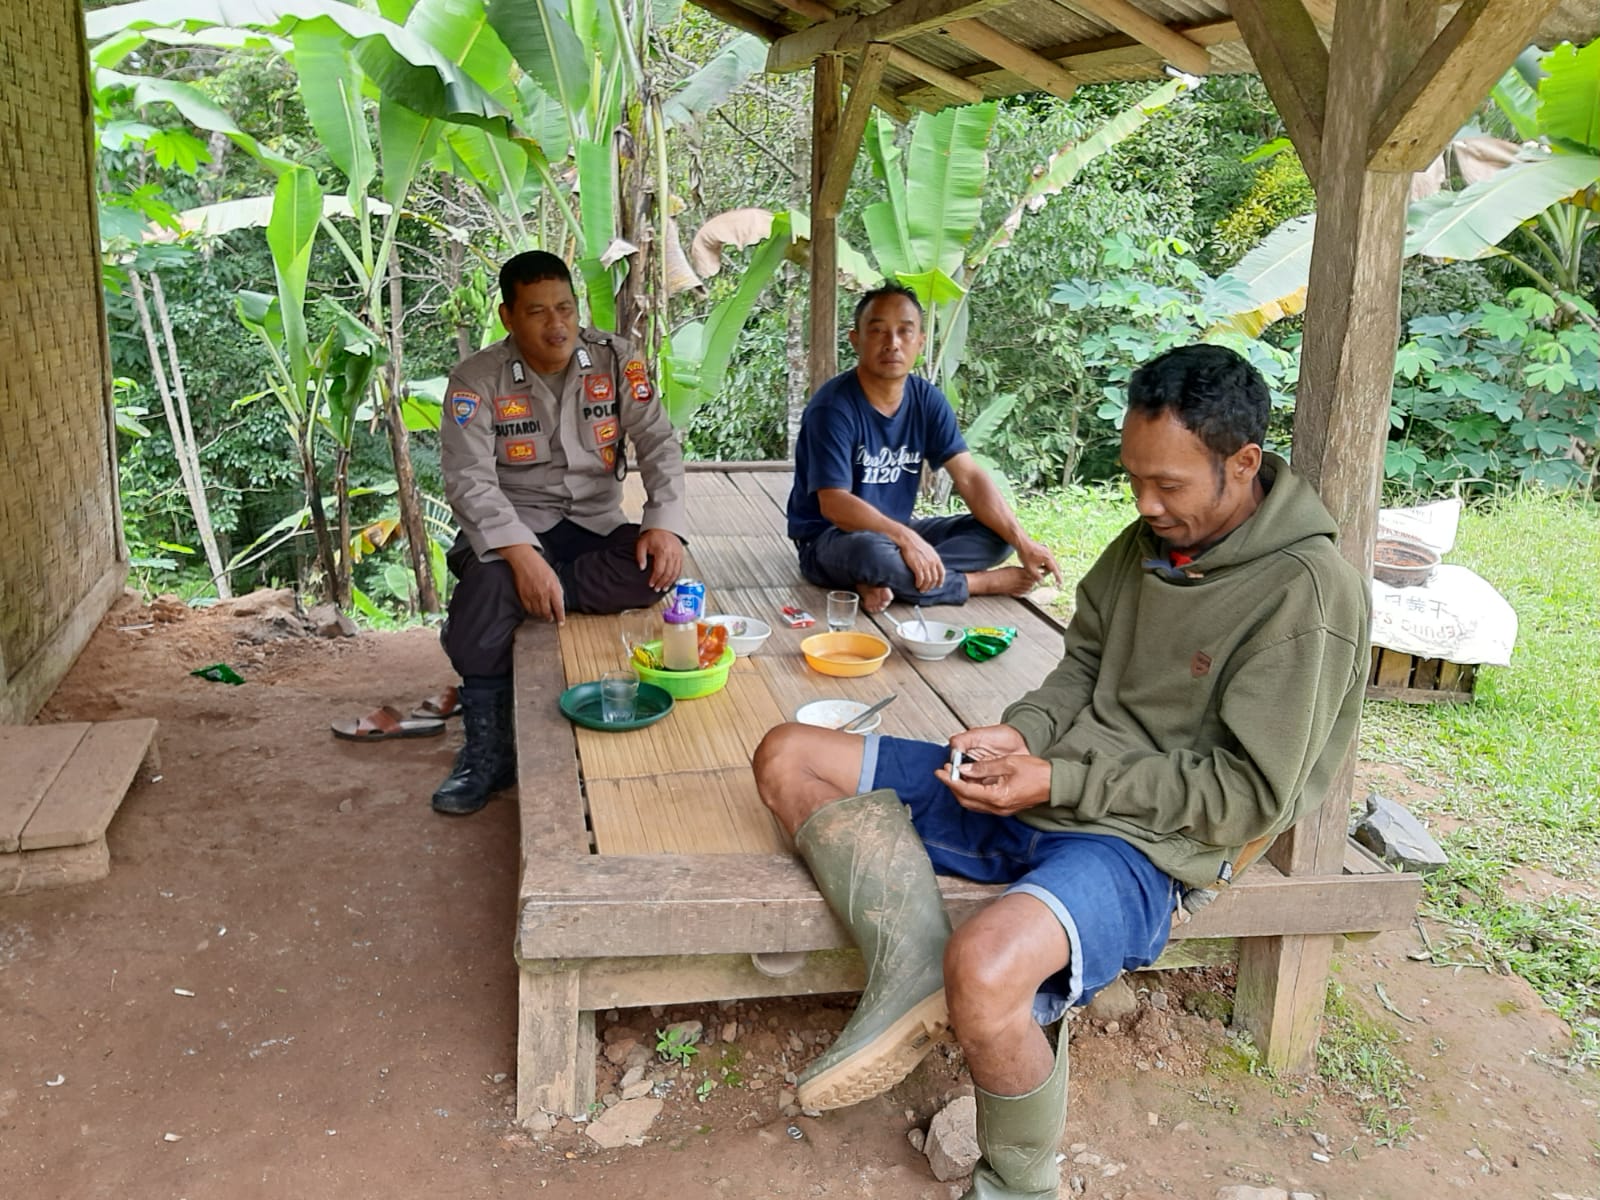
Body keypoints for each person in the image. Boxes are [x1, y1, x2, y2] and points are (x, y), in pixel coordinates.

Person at [754, 344, 1369, 1198]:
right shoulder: (1145, 541)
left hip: (1145, 842)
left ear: (1244, 463)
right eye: (1134, 480)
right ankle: (911, 962)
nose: (1146, 505)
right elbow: (1080, 666)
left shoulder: (1308, 593)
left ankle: (1018, 1182)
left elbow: (1242, 799)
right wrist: (1019, 735)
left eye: (1170, 486)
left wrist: (1060, 781)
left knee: (989, 969)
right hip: (1048, 782)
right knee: (790, 754)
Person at [433, 251, 686, 816]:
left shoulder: (616, 361)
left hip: (595, 523)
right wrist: (525, 561)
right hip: (516, 529)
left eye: (566, 309)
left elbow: (660, 444)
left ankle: (536, 596)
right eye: (538, 312)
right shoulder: (476, 379)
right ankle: (487, 753)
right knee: (487, 589)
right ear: (508, 317)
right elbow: (469, 482)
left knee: (655, 569)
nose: (557, 325)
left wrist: (663, 525)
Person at [786, 283, 1062, 613]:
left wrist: (1023, 541)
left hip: (897, 532)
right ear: (856, 339)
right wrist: (907, 540)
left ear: (920, 341)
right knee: (870, 553)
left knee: (998, 535)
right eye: (878, 331)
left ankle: (886, 578)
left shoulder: (926, 400)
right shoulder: (833, 408)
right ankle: (976, 583)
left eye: (905, 332)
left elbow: (970, 477)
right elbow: (833, 504)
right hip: (831, 539)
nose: (893, 343)